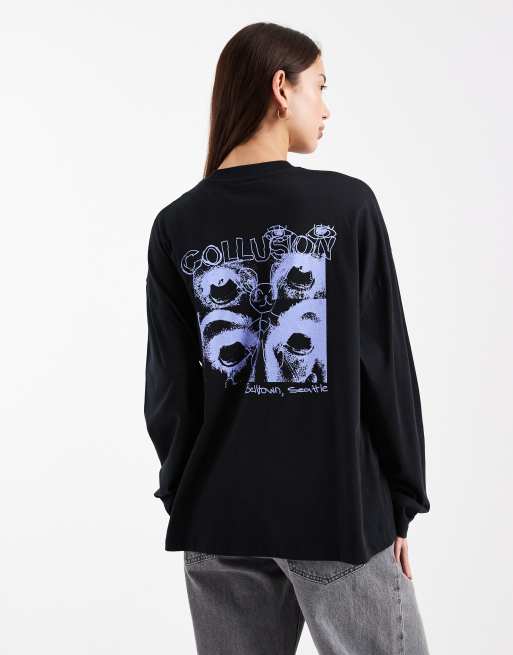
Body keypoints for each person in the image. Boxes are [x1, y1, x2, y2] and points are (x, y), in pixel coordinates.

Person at [144, 21, 431, 655]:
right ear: (282, 87)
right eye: (319, 86)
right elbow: (385, 364)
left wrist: (187, 494)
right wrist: (402, 502)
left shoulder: (176, 224)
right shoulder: (347, 206)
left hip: (218, 519)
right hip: (336, 514)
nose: (326, 107)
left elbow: (169, 395)